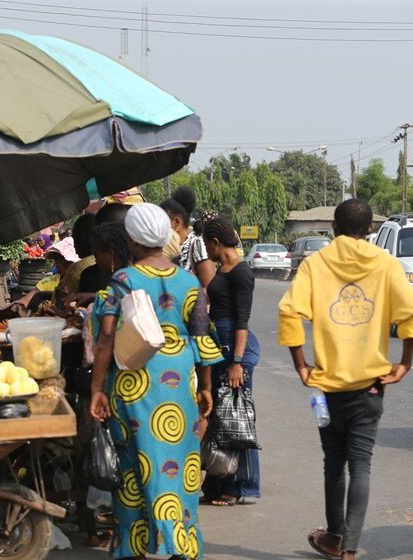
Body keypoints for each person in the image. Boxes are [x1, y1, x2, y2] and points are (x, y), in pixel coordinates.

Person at [278, 199, 413, 560]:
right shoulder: (386, 264)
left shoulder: (315, 264)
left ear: (334, 228)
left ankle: (333, 536)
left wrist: (301, 365)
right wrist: (404, 363)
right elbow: (412, 313)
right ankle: (349, 550)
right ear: (371, 229)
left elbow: (289, 312)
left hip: (327, 386)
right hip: (371, 385)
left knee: (334, 463)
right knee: (361, 464)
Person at [90, 203, 222, 560]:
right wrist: (205, 387)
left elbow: (106, 338)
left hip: (133, 387)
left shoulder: (124, 281)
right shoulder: (190, 283)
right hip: (179, 387)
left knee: (133, 468)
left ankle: (133, 547)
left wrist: (97, 389)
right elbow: (202, 340)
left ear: (132, 240)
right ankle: (181, 544)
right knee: (180, 466)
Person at [200, 216, 262, 506]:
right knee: (220, 415)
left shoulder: (241, 273)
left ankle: (239, 486)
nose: (206, 251)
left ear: (215, 242)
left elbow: (242, 321)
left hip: (234, 349)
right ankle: (217, 481)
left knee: (236, 417)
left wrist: (236, 362)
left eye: (206, 245)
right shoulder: (222, 270)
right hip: (220, 346)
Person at [161, 188, 214, 287]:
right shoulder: (165, 246)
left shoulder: (197, 244)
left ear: (176, 223)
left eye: (163, 222)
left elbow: (209, 287)